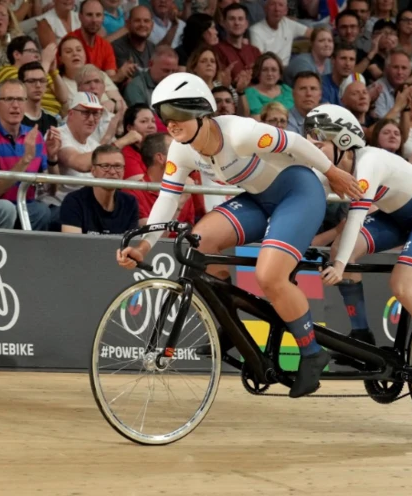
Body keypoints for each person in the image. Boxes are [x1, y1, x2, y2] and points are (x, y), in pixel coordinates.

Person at [116, 73, 362, 398]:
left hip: (298, 193)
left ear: (201, 112)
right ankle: (231, 326)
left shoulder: (241, 133)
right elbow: (168, 198)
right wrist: (144, 246)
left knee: (269, 276)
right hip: (257, 198)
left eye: (178, 115)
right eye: (165, 117)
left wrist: (332, 172)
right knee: (199, 244)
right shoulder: (181, 150)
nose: (171, 125)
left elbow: (296, 143)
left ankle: (312, 353)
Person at [309, 104, 412, 391]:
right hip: (396, 216)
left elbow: (356, 215)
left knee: (402, 285)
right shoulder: (335, 168)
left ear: (343, 142)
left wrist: (340, 266)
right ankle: (362, 335)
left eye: (319, 142)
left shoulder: (369, 162)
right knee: (342, 246)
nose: (313, 149)